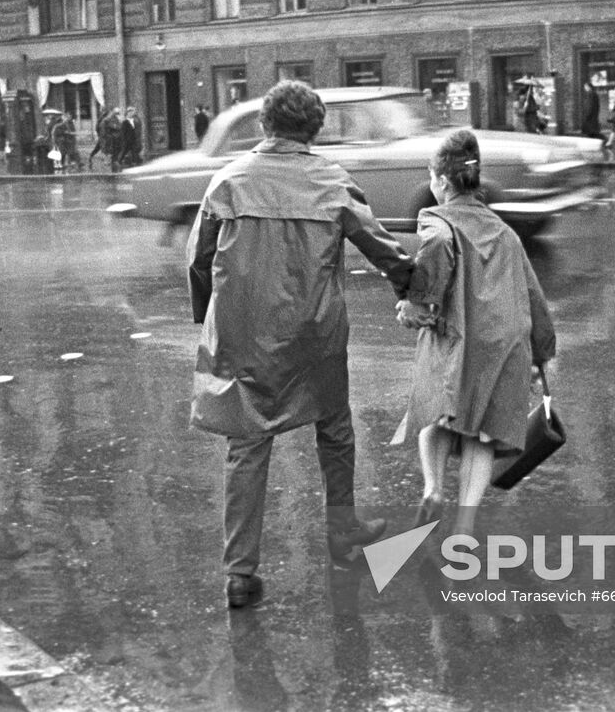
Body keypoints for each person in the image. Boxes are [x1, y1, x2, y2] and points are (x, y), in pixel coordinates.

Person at [187, 81, 415, 609]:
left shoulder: (228, 182)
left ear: (265, 125)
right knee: (334, 431)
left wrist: (209, 320)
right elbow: (382, 248)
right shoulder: (331, 181)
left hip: (243, 337)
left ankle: (240, 573)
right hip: (316, 333)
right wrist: (415, 284)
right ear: (314, 129)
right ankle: (343, 536)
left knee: (247, 445)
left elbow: (198, 262)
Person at [392, 129, 556, 538]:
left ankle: (432, 491)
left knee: (435, 410)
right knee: (483, 432)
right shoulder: (504, 231)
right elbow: (534, 295)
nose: (431, 185)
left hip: (456, 339)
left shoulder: (436, 219)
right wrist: (542, 352)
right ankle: (464, 525)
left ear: (443, 182)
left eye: (431, 177)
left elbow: (434, 259)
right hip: (506, 346)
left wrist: (414, 304)